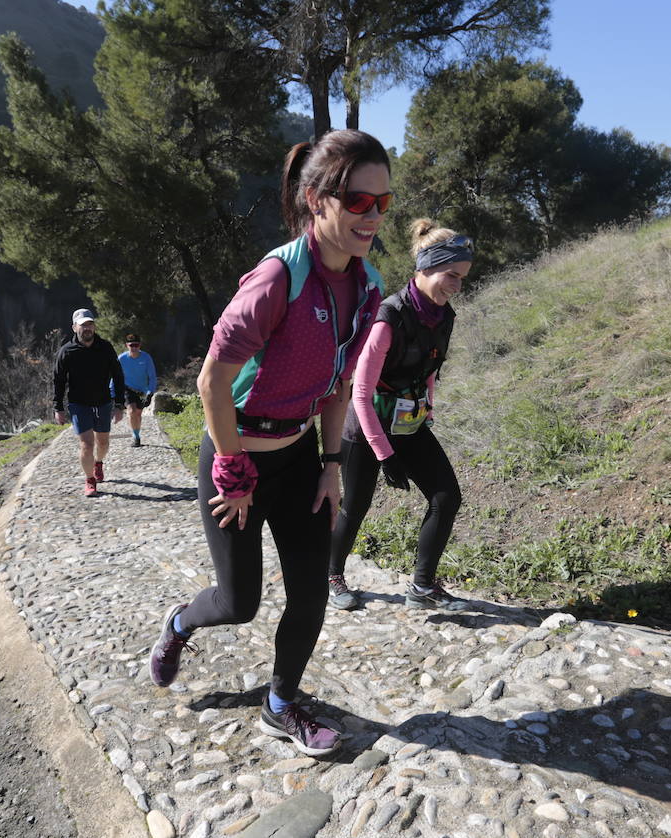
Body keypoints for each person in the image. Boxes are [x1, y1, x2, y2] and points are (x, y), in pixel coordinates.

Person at [147, 129, 392, 756]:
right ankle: (178, 624)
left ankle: (281, 702)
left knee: (311, 591)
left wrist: (332, 463)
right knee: (239, 602)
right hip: (236, 457)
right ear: (316, 200)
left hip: (300, 457)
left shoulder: (365, 289)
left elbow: (337, 387)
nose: (372, 216)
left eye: (382, 203)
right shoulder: (277, 279)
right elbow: (211, 382)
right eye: (358, 202)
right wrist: (231, 468)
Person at [327, 218, 473, 612]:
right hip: (365, 426)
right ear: (424, 268)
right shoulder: (388, 318)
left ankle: (422, 587)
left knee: (447, 497)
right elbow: (360, 392)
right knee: (355, 505)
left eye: (462, 277)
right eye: (451, 274)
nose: (456, 285)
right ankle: (332, 574)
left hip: (408, 421)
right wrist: (385, 455)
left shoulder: (444, 316)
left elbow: (428, 367)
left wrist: (427, 408)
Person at [52, 308, 125, 497]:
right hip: (79, 403)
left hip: (103, 402)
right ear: (74, 327)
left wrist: (119, 404)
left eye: (90, 324)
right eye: (83, 325)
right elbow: (58, 381)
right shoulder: (66, 352)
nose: (87, 328)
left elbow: (117, 375)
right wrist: (58, 407)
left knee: (103, 443)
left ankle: (98, 463)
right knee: (86, 444)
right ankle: (90, 479)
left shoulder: (105, 347)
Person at [118, 333, 157, 447]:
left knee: (138, 414)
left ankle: (137, 432)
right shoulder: (121, 359)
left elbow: (152, 376)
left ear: (140, 345)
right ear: (127, 345)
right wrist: (112, 393)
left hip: (142, 390)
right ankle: (135, 437)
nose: (134, 348)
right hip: (127, 389)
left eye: (136, 345)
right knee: (131, 411)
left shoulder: (146, 358)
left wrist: (150, 393)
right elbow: (115, 376)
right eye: (131, 345)